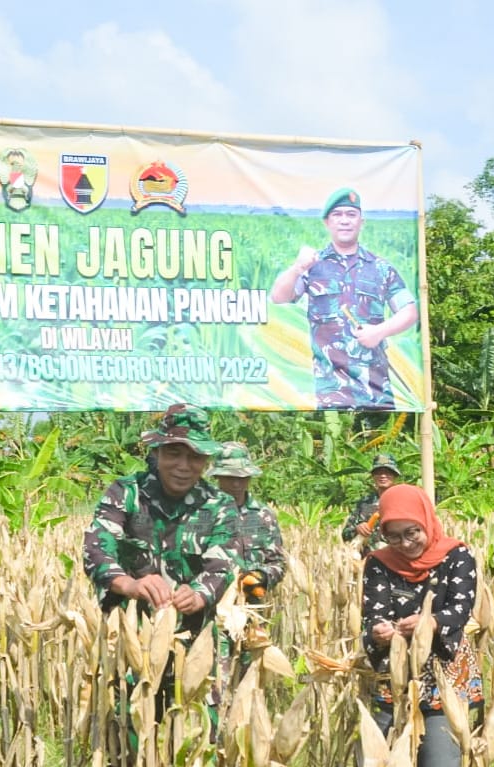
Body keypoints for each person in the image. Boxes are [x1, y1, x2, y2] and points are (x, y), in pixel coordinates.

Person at [361, 483, 481, 767]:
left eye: (412, 531)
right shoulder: (378, 563)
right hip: (393, 679)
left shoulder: (457, 555)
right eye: (393, 535)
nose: (405, 543)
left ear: (426, 520)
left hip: (444, 676)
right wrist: (379, 633)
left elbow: (460, 610)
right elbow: (371, 616)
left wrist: (430, 623)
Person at [82, 404, 241, 643]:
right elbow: (96, 550)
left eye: (195, 457)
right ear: (157, 453)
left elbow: (224, 564)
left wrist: (199, 594)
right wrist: (130, 585)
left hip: (196, 640)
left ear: (207, 461)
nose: (183, 466)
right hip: (128, 637)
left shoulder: (220, 505)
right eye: (174, 454)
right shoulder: (125, 493)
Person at [269, 188, 418, 409]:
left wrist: (379, 332)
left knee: (380, 443)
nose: (344, 221)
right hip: (328, 388)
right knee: (330, 442)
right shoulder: (313, 266)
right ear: (327, 223)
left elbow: (409, 311)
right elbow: (279, 297)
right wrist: (298, 267)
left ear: (361, 221)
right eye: (337, 215)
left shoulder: (381, 268)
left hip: (375, 389)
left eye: (351, 214)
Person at [209, 442, 286, 604]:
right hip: (210, 607)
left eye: (242, 478)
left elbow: (278, 562)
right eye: (230, 478)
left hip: (252, 607)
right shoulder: (202, 513)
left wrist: (260, 576)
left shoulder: (263, 516)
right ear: (217, 476)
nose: (236, 484)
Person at [342, 453, 401, 550]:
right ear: (373, 476)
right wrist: (357, 529)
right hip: (367, 560)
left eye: (387, 472)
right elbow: (345, 534)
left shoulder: (404, 501)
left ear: (395, 475)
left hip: (396, 559)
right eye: (378, 472)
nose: (382, 476)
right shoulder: (365, 502)